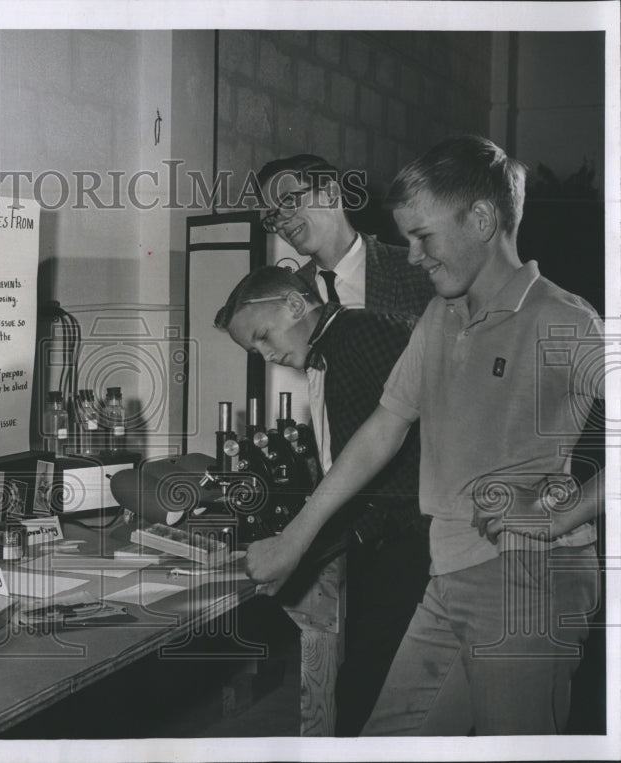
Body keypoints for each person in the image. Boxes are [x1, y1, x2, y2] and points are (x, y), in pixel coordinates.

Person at [246, 136, 604, 735]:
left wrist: (562, 511)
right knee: (388, 739)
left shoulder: (562, 318)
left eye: (424, 237)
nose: (411, 256)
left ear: (484, 220)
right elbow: (384, 427)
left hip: (528, 582)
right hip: (448, 573)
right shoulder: (442, 315)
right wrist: (295, 538)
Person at [215, 266, 430, 735]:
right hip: (393, 539)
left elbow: (388, 459)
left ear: (295, 304)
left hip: (418, 543)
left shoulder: (363, 334)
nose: (268, 354)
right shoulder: (337, 349)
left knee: (368, 700)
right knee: (363, 690)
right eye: (256, 350)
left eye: (264, 336)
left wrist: (297, 544)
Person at [258, 154, 434, 317]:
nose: (281, 223)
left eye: (289, 201)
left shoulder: (419, 271)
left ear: (331, 193)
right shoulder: (290, 294)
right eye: (273, 217)